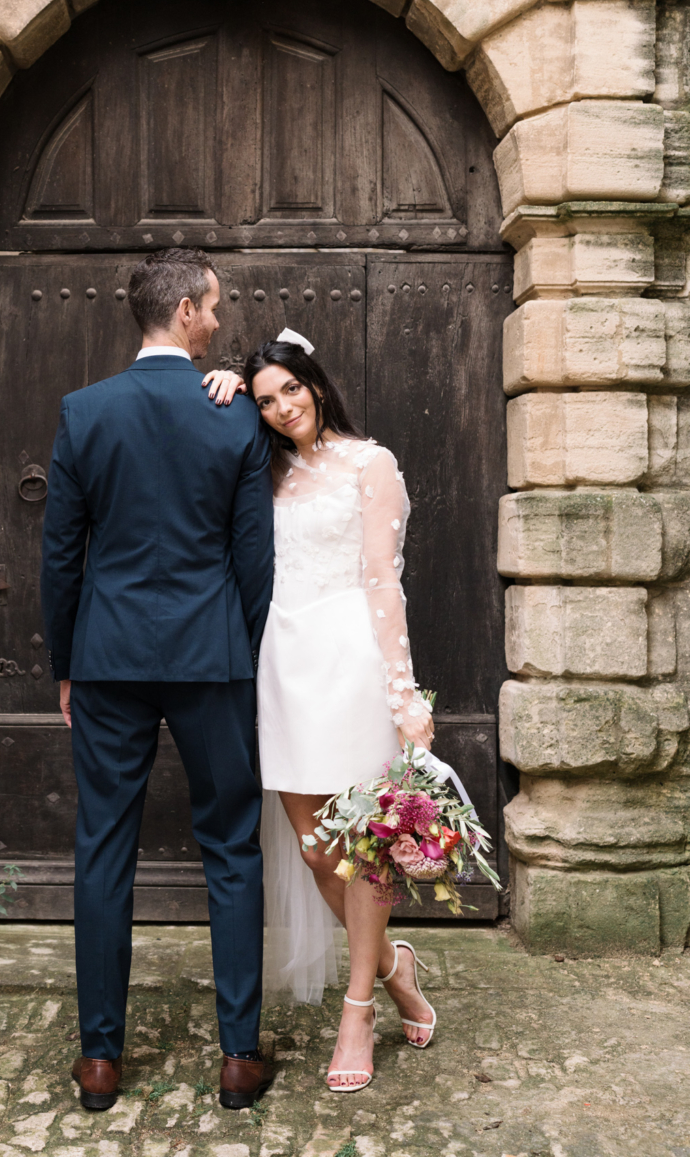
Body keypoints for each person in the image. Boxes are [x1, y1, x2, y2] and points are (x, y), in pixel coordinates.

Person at [40, 248, 276, 1114]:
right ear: (182, 310)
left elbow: (62, 554)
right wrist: (246, 655)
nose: (218, 319)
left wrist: (66, 663)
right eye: (212, 307)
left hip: (107, 657)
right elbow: (255, 556)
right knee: (231, 847)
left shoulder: (84, 412)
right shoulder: (234, 417)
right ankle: (239, 1058)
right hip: (212, 656)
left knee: (102, 847)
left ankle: (100, 1060)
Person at [204, 330, 437, 1093]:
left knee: (363, 847)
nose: (280, 408)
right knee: (312, 848)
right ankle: (397, 963)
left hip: (349, 658)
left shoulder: (371, 464)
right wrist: (221, 389)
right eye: (265, 399)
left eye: (289, 390)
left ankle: (359, 1007)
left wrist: (403, 695)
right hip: (281, 660)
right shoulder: (260, 469)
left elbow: (383, 580)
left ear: (317, 385)